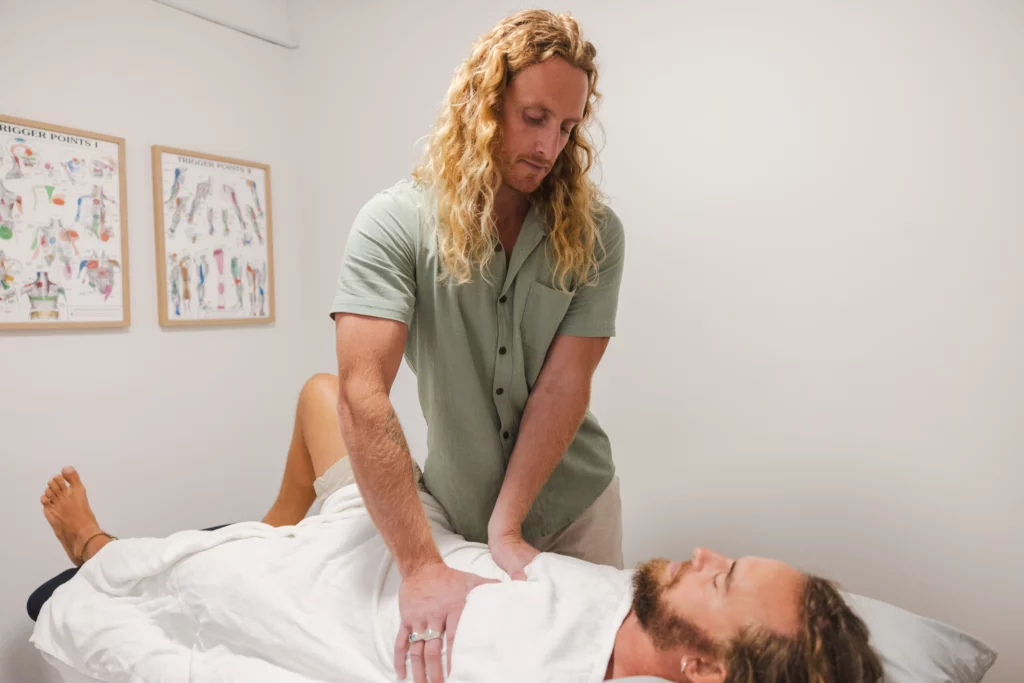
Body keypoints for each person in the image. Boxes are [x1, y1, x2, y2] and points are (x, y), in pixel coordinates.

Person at [34, 374, 883, 683]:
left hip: (344, 593)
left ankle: (99, 548)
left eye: (722, 579)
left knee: (185, 577)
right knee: (321, 396)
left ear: (700, 667)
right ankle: (273, 529)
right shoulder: (635, 607)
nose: (704, 554)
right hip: (419, 539)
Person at [331, 11, 626, 680]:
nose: (550, 144)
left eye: (568, 127)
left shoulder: (598, 233)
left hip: (578, 506)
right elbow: (359, 395)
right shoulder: (394, 225)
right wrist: (420, 563)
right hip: (458, 519)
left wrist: (510, 524)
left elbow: (564, 385)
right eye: (534, 117)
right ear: (484, 104)